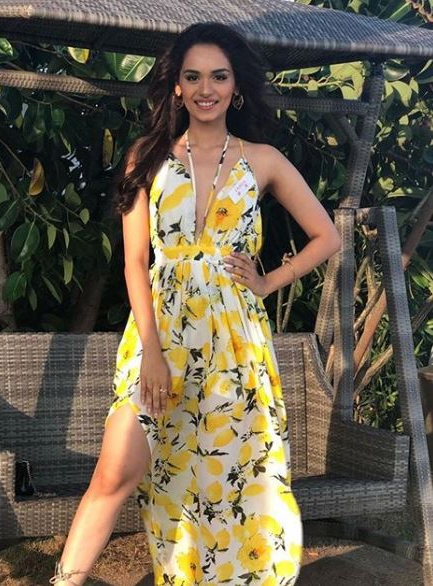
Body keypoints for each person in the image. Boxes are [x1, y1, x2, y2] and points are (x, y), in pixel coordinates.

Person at [50, 22, 341, 585]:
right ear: (177, 87)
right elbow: (135, 263)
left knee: (233, 476)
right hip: (160, 335)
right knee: (116, 469)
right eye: (193, 77)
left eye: (219, 76)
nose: (206, 89)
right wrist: (152, 354)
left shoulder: (264, 160)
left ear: (236, 87)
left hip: (235, 344)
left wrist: (268, 282)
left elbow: (326, 236)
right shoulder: (147, 156)